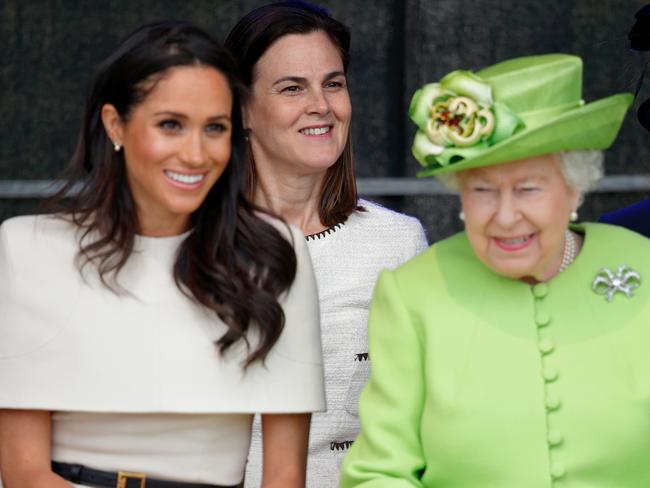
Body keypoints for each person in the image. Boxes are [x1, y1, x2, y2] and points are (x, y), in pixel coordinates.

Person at [0, 21, 324, 488]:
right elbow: (24, 473)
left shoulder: (272, 256)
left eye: (215, 128)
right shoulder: (30, 249)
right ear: (115, 124)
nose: (195, 154)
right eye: (171, 125)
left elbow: (285, 477)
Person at [340, 53, 650, 487]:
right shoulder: (413, 293)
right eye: (483, 190)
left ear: (574, 188)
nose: (505, 216)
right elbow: (379, 473)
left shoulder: (643, 268)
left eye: (528, 189)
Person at [224, 2, 428, 486]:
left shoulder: (398, 241)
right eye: (293, 87)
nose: (322, 104)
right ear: (242, 109)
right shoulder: (193, 244)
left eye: (333, 83)